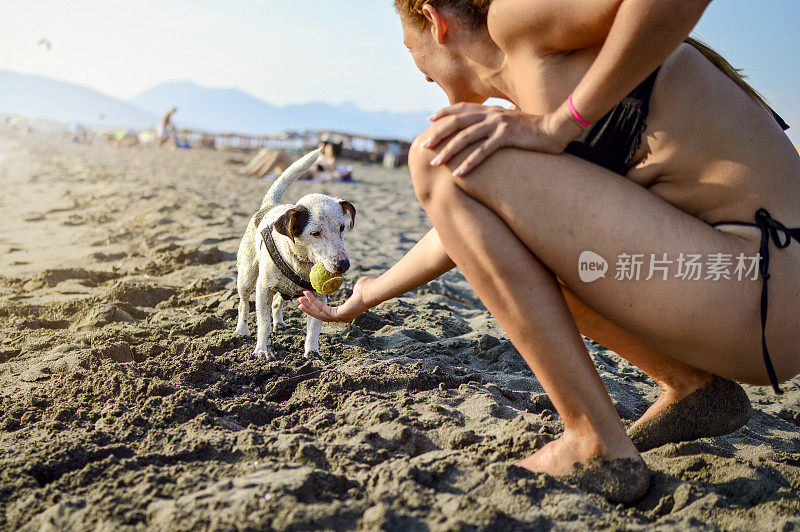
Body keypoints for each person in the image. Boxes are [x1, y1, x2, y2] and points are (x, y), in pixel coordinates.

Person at [298, 0, 800, 503]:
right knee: (471, 188)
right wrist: (368, 293)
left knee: (436, 155)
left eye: (411, 49)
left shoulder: (517, 22)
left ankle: (592, 437)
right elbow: (469, 235)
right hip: (757, 302)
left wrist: (561, 124)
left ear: (434, 20)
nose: (421, 73)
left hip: (756, 284)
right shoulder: (534, 93)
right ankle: (690, 384)